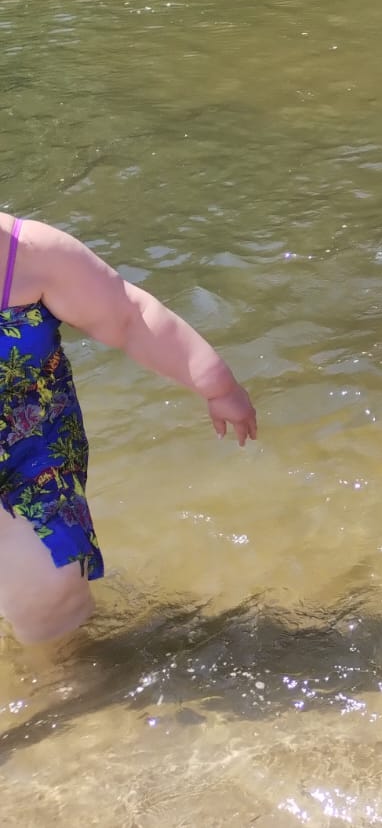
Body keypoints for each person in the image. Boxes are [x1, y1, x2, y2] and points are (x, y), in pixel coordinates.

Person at [0, 213, 258, 645]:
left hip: (30, 460)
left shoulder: (29, 255)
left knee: (53, 592)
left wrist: (215, 383)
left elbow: (128, 317)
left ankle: (67, 685)